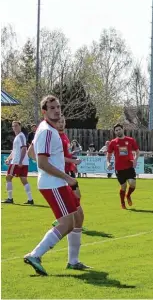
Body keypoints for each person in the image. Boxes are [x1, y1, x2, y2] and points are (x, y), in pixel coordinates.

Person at [23, 95, 91, 275]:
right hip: (53, 183)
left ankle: (73, 261)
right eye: (52, 108)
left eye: (58, 107)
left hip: (58, 181)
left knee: (78, 216)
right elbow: (42, 163)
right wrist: (67, 177)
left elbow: (32, 152)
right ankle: (35, 255)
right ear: (44, 112)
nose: (57, 110)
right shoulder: (46, 131)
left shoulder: (49, 130)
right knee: (67, 223)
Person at [107, 124, 140, 209]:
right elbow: (109, 155)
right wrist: (108, 163)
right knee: (123, 186)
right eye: (116, 130)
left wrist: (135, 160)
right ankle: (122, 203)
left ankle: (128, 195)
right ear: (115, 132)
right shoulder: (113, 142)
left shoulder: (130, 140)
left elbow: (137, 151)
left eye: (119, 129)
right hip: (119, 168)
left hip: (129, 166)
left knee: (132, 184)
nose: (118, 131)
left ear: (123, 129)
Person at [3, 121, 33, 204]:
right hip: (23, 162)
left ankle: (10, 198)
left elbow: (24, 148)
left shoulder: (20, 136)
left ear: (20, 126)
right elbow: (15, 151)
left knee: (8, 177)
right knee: (24, 179)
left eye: (16, 126)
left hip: (17, 162)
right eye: (13, 126)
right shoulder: (18, 137)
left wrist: (20, 161)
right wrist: (9, 158)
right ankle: (30, 199)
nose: (14, 127)